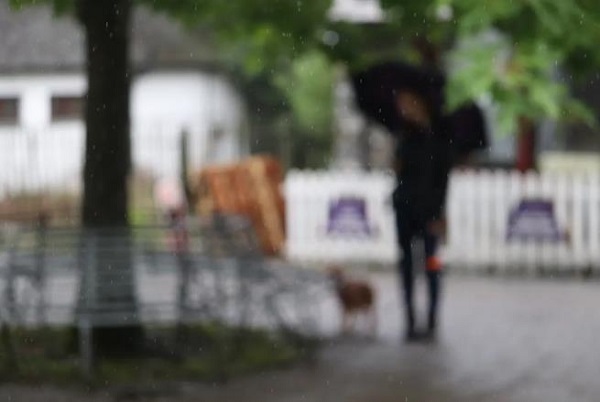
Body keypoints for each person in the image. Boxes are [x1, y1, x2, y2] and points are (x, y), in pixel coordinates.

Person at [392, 90, 452, 342]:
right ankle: (409, 319)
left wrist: (439, 213)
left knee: (432, 264)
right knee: (406, 264)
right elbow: (399, 172)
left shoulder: (438, 140)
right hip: (405, 210)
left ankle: (431, 319)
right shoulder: (404, 136)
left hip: (429, 212)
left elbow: (441, 180)